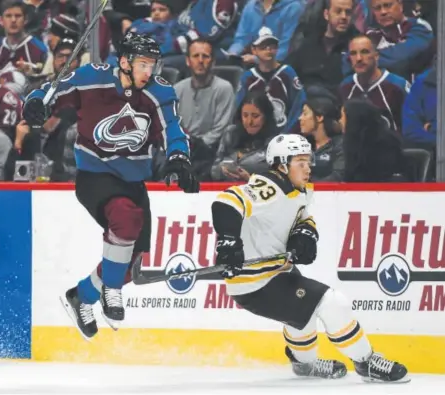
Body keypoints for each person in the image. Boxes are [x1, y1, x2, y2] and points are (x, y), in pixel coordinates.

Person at [22, 31, 199, 340]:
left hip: (133, 181)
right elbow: (52, 90)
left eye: (152, 65)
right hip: (94, 174)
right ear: (124, 62)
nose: (149, 71)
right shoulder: (93, 77)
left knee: (133, 265)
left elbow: (173, 128)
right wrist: (37, 102)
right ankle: (111, 290)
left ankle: (82, 296)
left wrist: (179, 157)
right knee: (125, 219)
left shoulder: (159, 92)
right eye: (143, 64)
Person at [210, 134, 409, 382]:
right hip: (257, 283)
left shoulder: (300, 188)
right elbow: (226, 202)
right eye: (301, 162)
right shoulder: (270, 187)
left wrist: (304, 233)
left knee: (301, 314)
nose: (308, 168)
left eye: (308, 161)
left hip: (276, 273)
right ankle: (366, 362)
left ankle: (304, 364)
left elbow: (302, 216)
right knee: (333, 302)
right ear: (282, 165)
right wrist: (229, 240)